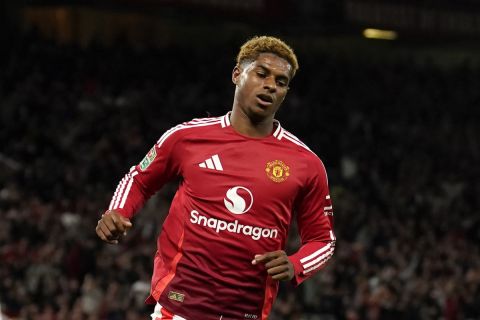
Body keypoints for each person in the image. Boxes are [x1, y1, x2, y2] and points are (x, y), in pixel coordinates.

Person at [96, 35, 336, 320]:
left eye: (281, 82)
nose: (271, 85)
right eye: (261, 74)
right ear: (237, 74)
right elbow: (139, 179)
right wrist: (117, 211)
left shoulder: (305, 163)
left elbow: (323, 240)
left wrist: (296, 264)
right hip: (179, 308)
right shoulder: (187, 138)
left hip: (246, 313)